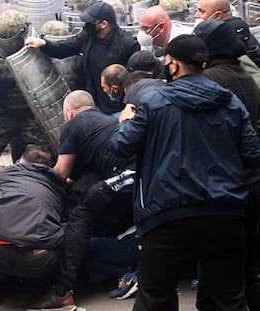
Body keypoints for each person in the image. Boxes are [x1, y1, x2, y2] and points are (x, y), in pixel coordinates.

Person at [111, 34, 260, 311]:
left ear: (173, 65)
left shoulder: (153, 102)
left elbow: (121, 146)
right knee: (229, 300)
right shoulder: (230, 103)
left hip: (167, 216)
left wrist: (124, 121)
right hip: (224, 215)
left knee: (155, 298)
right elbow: (253, 155)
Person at [26, 90, 137, 310]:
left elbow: (61, 171)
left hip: (127, 175)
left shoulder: (72, 125)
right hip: (141, 179)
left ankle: (62, 292)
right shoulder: (106, 120)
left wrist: (34, 177)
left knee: (80, 216)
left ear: (68, 112)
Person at [193, 19, 260, 311]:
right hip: (251, 177)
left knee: (216, 261)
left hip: (223, 182)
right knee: (248, 258)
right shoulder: (246, 74)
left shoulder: (211, 80)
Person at [0, 144, 67, 306]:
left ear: (20, 161)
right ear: (48, 167)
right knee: (65, 228)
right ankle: (37, 288)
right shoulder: (57, 183)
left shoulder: (6, 172)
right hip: (39, 260)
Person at [25, 1, 140, 115]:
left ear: (103, 24)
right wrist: (44, 44)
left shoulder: (128, 45)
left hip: (119, 110)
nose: (86, 24)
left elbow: (136, 80)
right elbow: (65, 47)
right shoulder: (88, 37)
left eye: (90, 21)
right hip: (95, 106)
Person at [0, 9, 51, 181]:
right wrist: (16, 76)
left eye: (12, 41)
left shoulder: (35, 45)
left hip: (31, 112)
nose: (8, 46)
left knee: (43, 157)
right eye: (5, 42)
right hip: (2, 111)